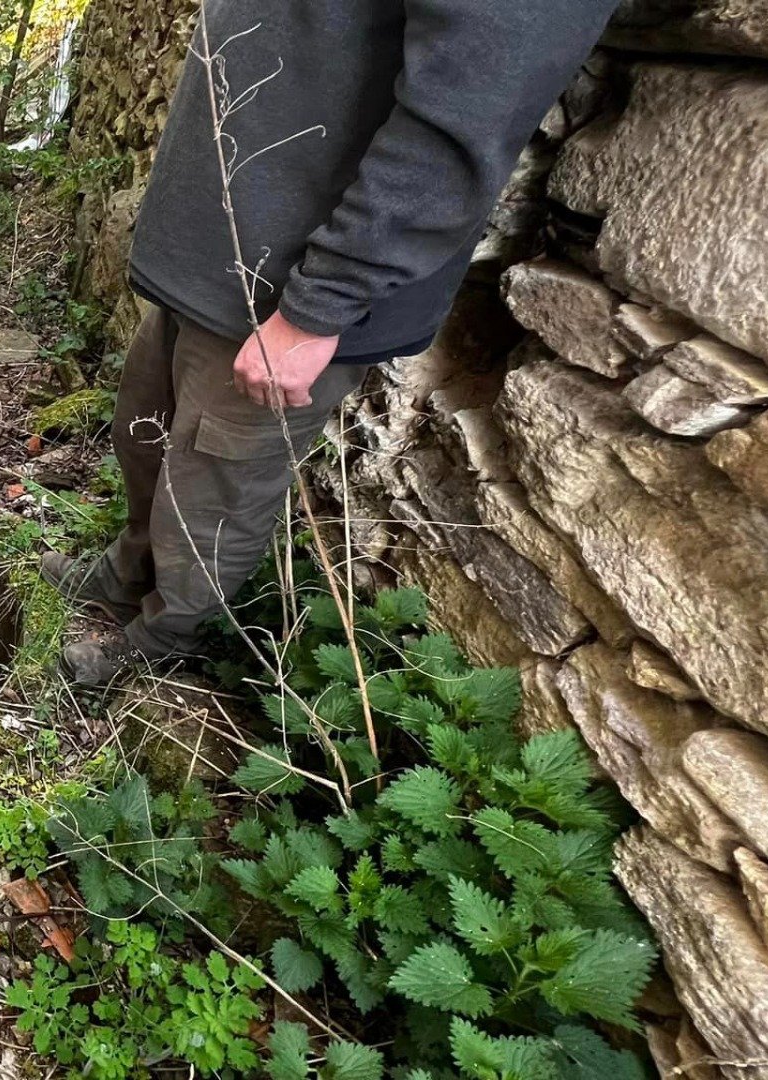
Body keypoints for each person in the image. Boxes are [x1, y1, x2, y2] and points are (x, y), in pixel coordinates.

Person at [44, 0, 623, 685]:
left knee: (214, 489)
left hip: (286, 288)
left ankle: (166, 634)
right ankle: (125, 575)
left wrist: (319, 305)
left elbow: (465, 117)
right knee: (145, 432)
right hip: (215, 263)